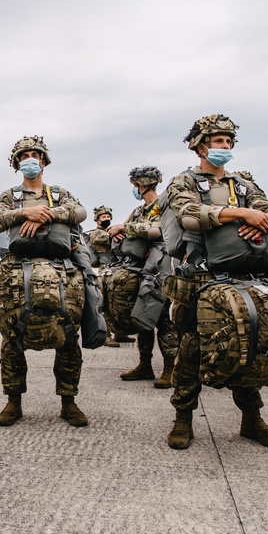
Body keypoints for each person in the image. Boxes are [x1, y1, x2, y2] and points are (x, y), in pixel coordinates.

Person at [163, 114, 268, 450]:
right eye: (218, 140)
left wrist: (266, 220)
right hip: (201, 280)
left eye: (229, 141)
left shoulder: (245, 183)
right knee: (191, 351)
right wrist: (241, 214)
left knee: (247, 345)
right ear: (200, 145)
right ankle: (182, 419)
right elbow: (189, 216)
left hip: (246, 276)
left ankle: (252, 419)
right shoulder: (184, 182)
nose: (225, 146)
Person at [0, 136, 90, 426]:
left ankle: (69, 401)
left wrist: (45, 215)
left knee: (68, 336)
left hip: (62, 271)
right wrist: (23, 212)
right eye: (24, 156)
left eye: (35, 154)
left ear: (44, 161)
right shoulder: (8, 196)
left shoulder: (59, 194)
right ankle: (13, 401)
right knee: (12, 338)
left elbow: (80, 212)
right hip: (17, 272)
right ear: (17, 163)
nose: (30, 159)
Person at [103, 166, 178, 389]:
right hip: (138, 268)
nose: (135, 189)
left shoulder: (166, 207)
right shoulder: (139, 211)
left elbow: (162, 231)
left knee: (163, 318)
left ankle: (170, 369)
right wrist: (118, 230)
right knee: (143, 317)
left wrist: (126, 228)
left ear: (143, 184)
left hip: (159, 267)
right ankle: (145, 365)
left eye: (136, 185)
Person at [86, 205, 130, 348]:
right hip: (104, 272)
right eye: (103, 217)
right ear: (97, 220)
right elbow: (111, 239)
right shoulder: (96, 234)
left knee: (117, 302)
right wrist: (118, 232)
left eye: (108, 217)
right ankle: (105, 336)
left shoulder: (111, 231)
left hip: (117, 268)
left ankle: (119, 332)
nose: (107, 219)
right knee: (104, 304)